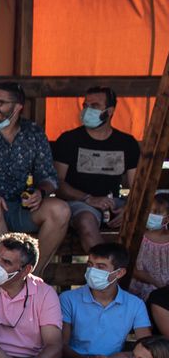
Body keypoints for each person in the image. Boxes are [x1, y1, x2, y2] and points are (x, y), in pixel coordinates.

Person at [0, 82, 70, 273]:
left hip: (20, 206)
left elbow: (50, 177)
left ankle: (30, 276)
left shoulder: (33, 132)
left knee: (60, 210)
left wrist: (40, 192)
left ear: (18, 107)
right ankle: (8, 276)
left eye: (0, 102)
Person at [51, 242, 151, 358]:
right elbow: (61, 345)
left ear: (119, 273)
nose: (92, 271)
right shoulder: (68, 299)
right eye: (90, 265)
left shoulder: (135, 304)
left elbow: (147, 346)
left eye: (101, 267)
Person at [53, 85, 139, 251]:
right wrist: (88, 198)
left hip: (113, 203)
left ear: (110, 111)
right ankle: (104, 265)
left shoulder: (127, 143)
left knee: (149, 217)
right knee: (86, 222)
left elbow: (137, 186)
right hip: (79, 203)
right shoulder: (69, 140)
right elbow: (58, 184)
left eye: (94, 106)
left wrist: (129, 208)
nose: (87, 110)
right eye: (85, 105)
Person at [131, 192, 169, 301]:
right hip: (143, 286)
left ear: (167, 219)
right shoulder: (139, 239)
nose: (151, 215)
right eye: (149, 211)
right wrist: (156, 283)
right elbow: (135, 269)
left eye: (157, 212)